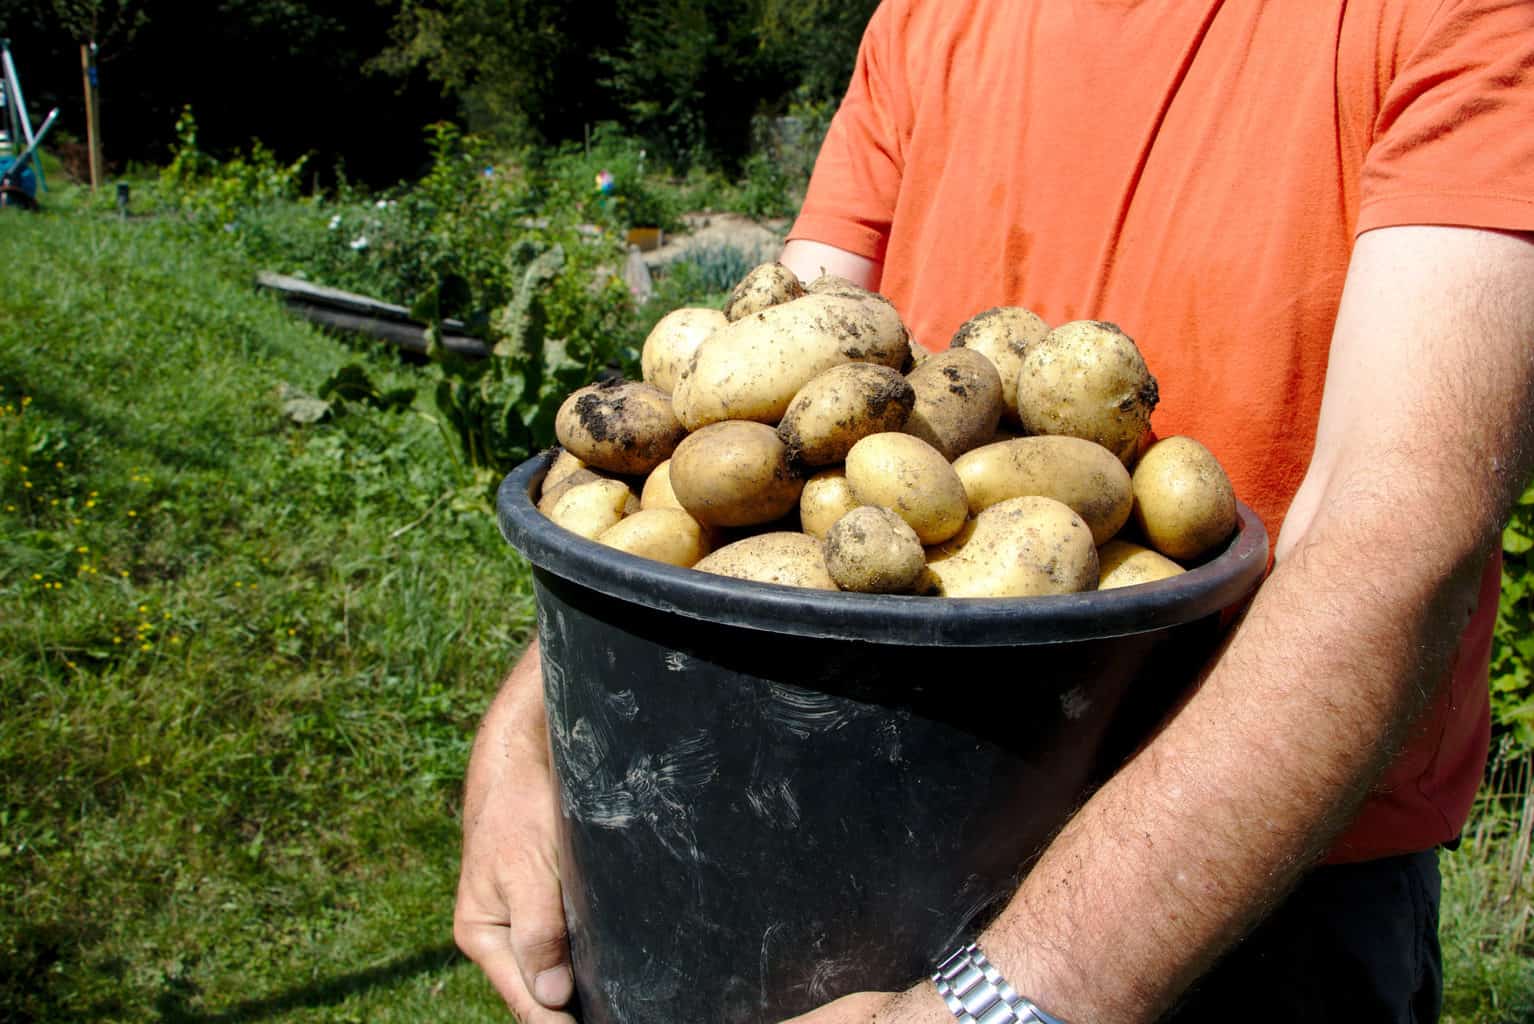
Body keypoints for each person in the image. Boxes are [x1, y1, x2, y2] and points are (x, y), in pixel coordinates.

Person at [454, 2, 1534, 1021]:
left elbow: (1396, 536)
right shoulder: (932, 15)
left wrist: (1005, 1000)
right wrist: (536, 730)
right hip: (855, 818)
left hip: (1249, 898)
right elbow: (722, 418)